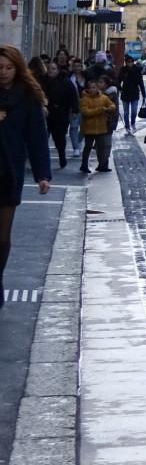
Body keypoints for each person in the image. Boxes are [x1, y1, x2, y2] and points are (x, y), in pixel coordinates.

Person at [0, 45, 52, 303]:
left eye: (9, 67)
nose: (3, 72)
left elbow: (37, 138)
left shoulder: (28, 97)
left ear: (17, 68)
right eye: (0, 68)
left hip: (9, 172)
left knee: (2, 237)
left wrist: (42, 174)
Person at [42, 56, 78, 169]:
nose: (50, 71)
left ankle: (62, 156)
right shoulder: (43, 81)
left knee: (59, 138)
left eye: (53, 69)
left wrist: (74, 110)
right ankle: (41, 160)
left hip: (60, 114)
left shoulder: (65, 82)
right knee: (42, 137)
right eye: (49, 69)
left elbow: (73, 96)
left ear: (58, 70)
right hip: (45, 114)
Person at [76, 73, 114, 176]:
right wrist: (100, 110)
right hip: (89, 128)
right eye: (90, 88)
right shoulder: (84, 99)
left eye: (94, 87)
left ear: (97, 88)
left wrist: (110, 108)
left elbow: (112, 105)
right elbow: (86, 112)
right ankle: (84, 165)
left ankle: (102, 165)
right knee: (88, 147)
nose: (92, 89)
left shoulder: (103, 98)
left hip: (101, 128)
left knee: (101, 147)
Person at [118, 57, 146, 134]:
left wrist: (144, 94)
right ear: (126, 62)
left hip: (134, 93)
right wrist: (120, 89)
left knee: (134, 111)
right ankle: (127, 126)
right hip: (125, 93)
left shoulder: (137, 70)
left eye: (131, 61)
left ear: (133, 62)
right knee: (126, 112)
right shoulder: (123, 70)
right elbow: (118, 81)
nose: (129, 63)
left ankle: (133, 123)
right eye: (128, 62)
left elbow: (141, 83)